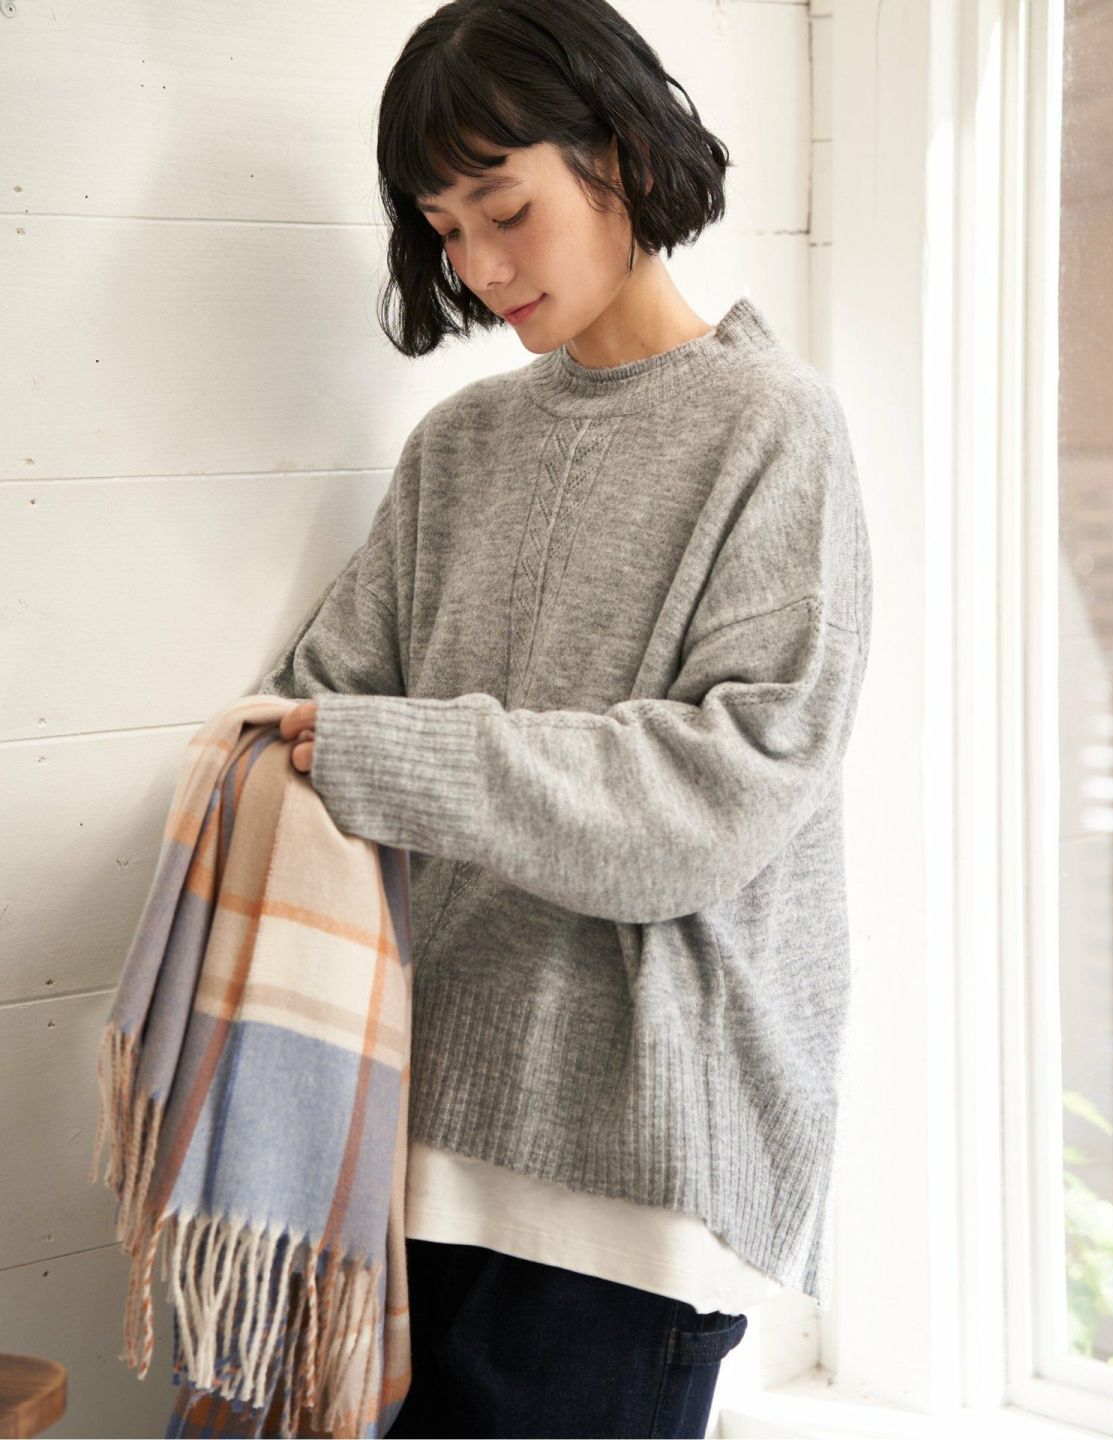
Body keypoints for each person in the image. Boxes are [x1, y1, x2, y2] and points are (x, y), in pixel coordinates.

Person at [259, 1, 875, 1436]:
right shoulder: (459, 447)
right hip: (414, 1147)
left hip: (630, 1178)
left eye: (504, 208)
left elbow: (716, 797)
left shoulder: (774, 427)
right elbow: (318, 712)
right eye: (443, 229)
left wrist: (391, 756)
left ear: (623, 157)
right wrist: (334, 751)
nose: (479, 266)